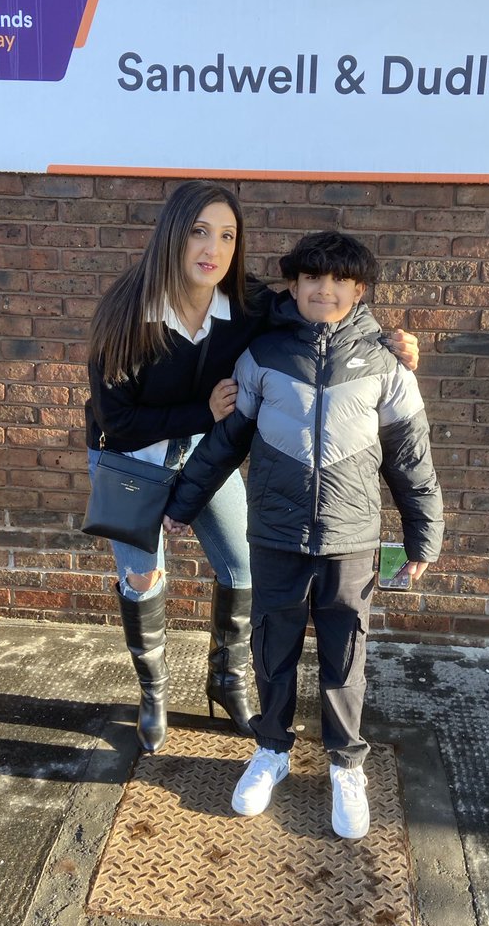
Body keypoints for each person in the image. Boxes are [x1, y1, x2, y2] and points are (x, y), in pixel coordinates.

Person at [86, 182, 421, 756]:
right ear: (173, 233)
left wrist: (386, 342)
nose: (212, 248)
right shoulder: (126, 309)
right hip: (128, 456)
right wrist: (202, 410)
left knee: (242, 567)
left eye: (227, 235)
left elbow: (319, 313)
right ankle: (154, 695)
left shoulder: (247, 303)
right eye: (199, 231)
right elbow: (116, 417)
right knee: (143, 579)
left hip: (202, 449)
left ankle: (228, 681)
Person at [164, 230, 443, 839]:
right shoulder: (261, 357)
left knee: (346, 656)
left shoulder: (386, 362)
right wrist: (183, 503)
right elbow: (225, 441)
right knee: (274, 650)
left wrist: (424, 536)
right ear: (293, 285)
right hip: (275, 536)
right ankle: (272, 751)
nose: (325, 289)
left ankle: (346, 765)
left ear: (358, 288)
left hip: (351, 540)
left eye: (340, 280)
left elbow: (411, 458)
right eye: (312, 278)